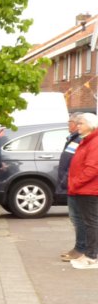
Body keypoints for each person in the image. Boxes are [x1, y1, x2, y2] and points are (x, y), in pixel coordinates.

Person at [67, 113, 98, 269]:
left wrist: (76, 183)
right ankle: (89, 253)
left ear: (91, 125)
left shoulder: (94, 142)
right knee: (89, 223)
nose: (77, 125)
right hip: (83, 188)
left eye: (81, 123)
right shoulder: (87, 140)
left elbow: (92, 168)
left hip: (89, 189)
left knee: (91, 223)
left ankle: (92, 256)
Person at [59, 114, 85, 262]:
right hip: (71, 183)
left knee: (79, 218)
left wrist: (71, 180)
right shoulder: (73, 138)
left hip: (76, 184)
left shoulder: (80, 139)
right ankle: (79, 247)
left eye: (71, 122)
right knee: (75, 218)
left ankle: (82, 248)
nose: (69, 124)